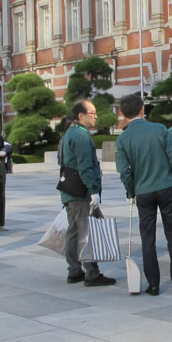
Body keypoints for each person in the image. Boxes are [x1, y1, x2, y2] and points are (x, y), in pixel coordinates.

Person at [115, 94, 172, 296]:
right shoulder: (158, 129)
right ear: (142, 110)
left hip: (143, 191)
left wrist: (130, 192)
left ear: (122, 113)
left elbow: (124, 171)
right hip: (167, 187)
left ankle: (154, 285)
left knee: (147, 238)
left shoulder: (123, 139)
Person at [59, 100, 117, 288]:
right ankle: (92, 272)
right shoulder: (82, 136)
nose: (96, 116)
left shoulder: (68, 133)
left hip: (70, 190)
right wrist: (93, 190)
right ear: (81, 115)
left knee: (75, 231)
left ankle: (74, 270)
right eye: (92, 113)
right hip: (81, 191)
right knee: (86, 232)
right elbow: (85, 166)